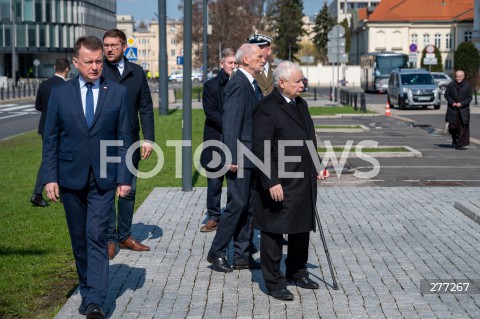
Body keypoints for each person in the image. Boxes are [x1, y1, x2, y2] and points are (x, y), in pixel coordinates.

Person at [42, 35, 132, 318]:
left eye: (99, 61)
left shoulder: (117, 92)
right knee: (79, 238)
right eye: (89, 62)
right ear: (76, 62)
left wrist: (125, 177)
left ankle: (95, 299)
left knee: (96, 235)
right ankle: (85, 285)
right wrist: (50, 177)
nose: (95, 67)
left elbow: (125, 138)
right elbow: (51, 138)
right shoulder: (60, 93)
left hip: (104, 178)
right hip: (69, 177)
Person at [252, 61, 329, 301]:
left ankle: (297, 270)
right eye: (298, 81)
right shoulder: (267, 107)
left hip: (303, 178)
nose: (302, 84)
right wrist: (271, 181)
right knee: (274, 230)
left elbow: (309, 139)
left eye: (302, 79)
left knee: (301, 227)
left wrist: (317, 165)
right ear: (282, 83)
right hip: (280, 181)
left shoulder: (301, 104)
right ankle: (274, 282)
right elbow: (260, 148)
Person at [206, 43, 265, 272]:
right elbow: (230, 122)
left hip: (250, 155)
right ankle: (216, 251)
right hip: (239, 156)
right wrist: (230, 156)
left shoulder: (250, 82)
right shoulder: (238, 83)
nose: (263, 60)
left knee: (249, 205)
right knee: (236, 204)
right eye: (259, 56)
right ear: (246, 59)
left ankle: (242, 254)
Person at [102, 29, 155, 259]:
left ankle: (124, 236)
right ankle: (109, 239)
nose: (109, 49)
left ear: (124, 47)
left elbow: (145, 107)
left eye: (114, 45)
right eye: (106, 45)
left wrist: (149, 138)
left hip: (130, 140)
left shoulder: (137, 72)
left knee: (129, 190)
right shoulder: (99, 71)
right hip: (103, 141)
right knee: (106, 191)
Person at [199, 48, 237, 232]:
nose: (233, 66)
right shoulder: (211, 85)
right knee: (214, 182)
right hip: (216, 138)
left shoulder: (241, 83)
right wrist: (231, 125)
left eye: (235, 63)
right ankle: (214, 216)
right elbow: (210, 111)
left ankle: (233, 215)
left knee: (235, 182)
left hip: (236, 141)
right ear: (222, 64)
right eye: (230, 62)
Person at [30, 57, 71, 207]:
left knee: (49, 157)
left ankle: (48, 191)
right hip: (61, 128)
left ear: (54, 67)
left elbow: (38, 105)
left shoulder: (44, 84)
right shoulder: (66, 87)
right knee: (59, 158)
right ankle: (39, 193)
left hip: (44, 127)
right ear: (67, 69)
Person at [444, 70, 472, 150]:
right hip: (453, 110)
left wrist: (462, 104)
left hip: (463, 111)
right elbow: (447, 95)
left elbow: (469, 98)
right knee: (452, 127)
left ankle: (459, 144)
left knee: (462, 128)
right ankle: (454, 138)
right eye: (457, 77)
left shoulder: (467, 86)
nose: (458, 78)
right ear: (455, 77)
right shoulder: (451, 85)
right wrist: (452, 102)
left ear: (463, 77)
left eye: (460, 77)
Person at [248, 30, 274, 95]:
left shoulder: (278, 71)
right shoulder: (244, 72)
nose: (255, 50)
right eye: (253, 47)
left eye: (260, 47)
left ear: (269, 50)